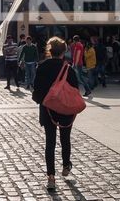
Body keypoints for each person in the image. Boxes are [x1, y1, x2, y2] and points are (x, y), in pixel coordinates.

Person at [31, 36, 79, 191]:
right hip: (65, 109)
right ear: (64, 52)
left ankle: (51, 177)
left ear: (49, 51)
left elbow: (36, 91)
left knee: (49, 143)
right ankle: (66, 165)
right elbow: (75, 90)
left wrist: (44, 100)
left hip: (47, 110)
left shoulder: (42, 67)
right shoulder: (68, 69)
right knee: (66, 138)